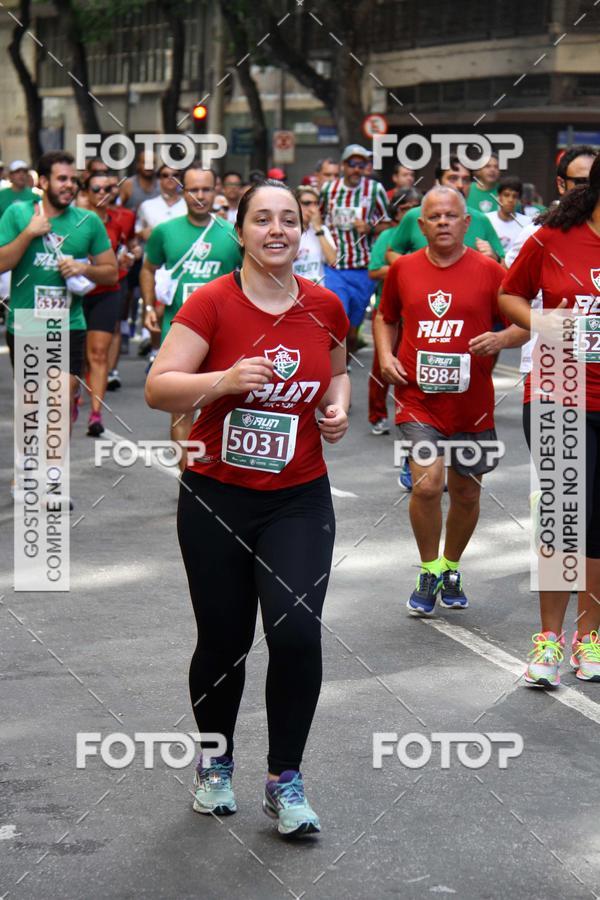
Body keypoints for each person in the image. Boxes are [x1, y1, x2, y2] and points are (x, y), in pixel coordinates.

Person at [145, 179, 349, 837]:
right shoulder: (211, 302)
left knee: (296, 633)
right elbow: (158, 387)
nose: (276, 229)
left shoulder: (324, 304)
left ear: (302, 231)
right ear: (241, 232)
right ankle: (215, 762)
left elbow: (338, 370)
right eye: (262, 219)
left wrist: (337, 407)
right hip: (217, 497)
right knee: (224, 640)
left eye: (289, 219)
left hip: (299, 497)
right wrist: (224, 380)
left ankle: (285, 780)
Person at [374, 186, 527, 615]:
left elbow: (525, 324)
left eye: (451, 216)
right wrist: (385, 356)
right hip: (416, 400)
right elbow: (385, 317)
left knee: (466, 492)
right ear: (421, 225)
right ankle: (428, 569)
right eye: (435, 217)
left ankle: (450, 565)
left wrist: (500, 338)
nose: (443, 222)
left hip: (471, 405)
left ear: (466, 223)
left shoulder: (491, 271)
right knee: (427, 485)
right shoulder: (403, 269)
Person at [499, 153, 600, 687]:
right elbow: (508, 294)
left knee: (597, 527)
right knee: (565, 517)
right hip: (559, 392)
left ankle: (589, 638)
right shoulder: (552, 238)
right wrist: (543, 322)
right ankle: (548, 639)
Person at [0, 150, 117, 502]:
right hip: (26, 322)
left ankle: (53, 478)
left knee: (62, 398)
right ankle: (25, 471)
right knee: (31, 402)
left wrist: (84, 269)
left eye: (73, 180)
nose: (69, 185)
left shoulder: (88, 222)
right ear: (44, 182)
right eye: (62, 179)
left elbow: (110, 272)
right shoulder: (19, 213)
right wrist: (28, 234)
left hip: (69, 322)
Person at [142, 166, 242, 469]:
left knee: (224, 407)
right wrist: (149, 308)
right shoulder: (165, 232)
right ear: (182, 191)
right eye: (193, 189)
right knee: (182, 410)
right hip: (180, 332)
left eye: (206, 189)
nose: (200, 196)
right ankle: (189, 479)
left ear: (216, 191)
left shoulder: (233, 232)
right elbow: (148, 268)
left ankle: (218, 474)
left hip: (225, 333)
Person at [320, 144, 390, 357]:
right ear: (344, 165)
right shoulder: (329, 190)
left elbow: (389, 223)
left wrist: (370, 228)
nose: (357, 169)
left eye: (362, 164)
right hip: (335, 267)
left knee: (352, 330)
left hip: (362, 268)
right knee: (337, 320)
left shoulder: (375, 190)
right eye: (353, 164)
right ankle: (332, 366)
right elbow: (317, 217)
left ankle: (345, 364)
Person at [81, 171, 137, 435]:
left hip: (108, 291)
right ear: (86, 192)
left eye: (107, 189)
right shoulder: (76, 221)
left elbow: (127, 248)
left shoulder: (120, 221)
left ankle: (96, 414)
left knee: (98, 353)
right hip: (77, 295)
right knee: (79, 354)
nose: (102, 194)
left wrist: (128, 258)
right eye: (96, 189)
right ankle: (73, 396)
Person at [368, 187, 421, 435]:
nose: (409, 213)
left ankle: (412, 415)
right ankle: (377, 414)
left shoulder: (425, 234)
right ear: (395, 211)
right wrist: (410, 268)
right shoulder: (387, 236)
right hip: (388, 311)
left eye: (414, 208)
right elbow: (374, 270)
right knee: (384, 363)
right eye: (404, 208)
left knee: (415, 364)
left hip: (419, 312)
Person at [386, 156, 504, 264]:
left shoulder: (481, 219)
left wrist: (495, 258)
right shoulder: (414, 216)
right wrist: (413, 271)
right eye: (453, 178)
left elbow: (504, 266)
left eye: (466, 180)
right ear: (438, 182)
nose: (460, 185)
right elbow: (392, 252)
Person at [293, 185, 336, 283]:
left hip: (316, 287)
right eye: (306, 203)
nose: (312, 209)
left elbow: (333, 260)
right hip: (294, 288)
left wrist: (318, 229)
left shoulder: (322, 230)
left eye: (315, 204)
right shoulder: (287, 230)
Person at [135, 164, 186, 240]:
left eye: (175, 175)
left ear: (180, 179)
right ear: (159, 180)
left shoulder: (189, 205)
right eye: (165, 175)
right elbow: (136, 230)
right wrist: (142, 233)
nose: (170, 178)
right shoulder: (146, 206)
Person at [485, 176, 531, 256]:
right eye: (506, 195)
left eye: (515, 196)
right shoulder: (487, 219)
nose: (510, 200)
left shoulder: (527, 223)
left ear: (518, 200)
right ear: (499, 197)